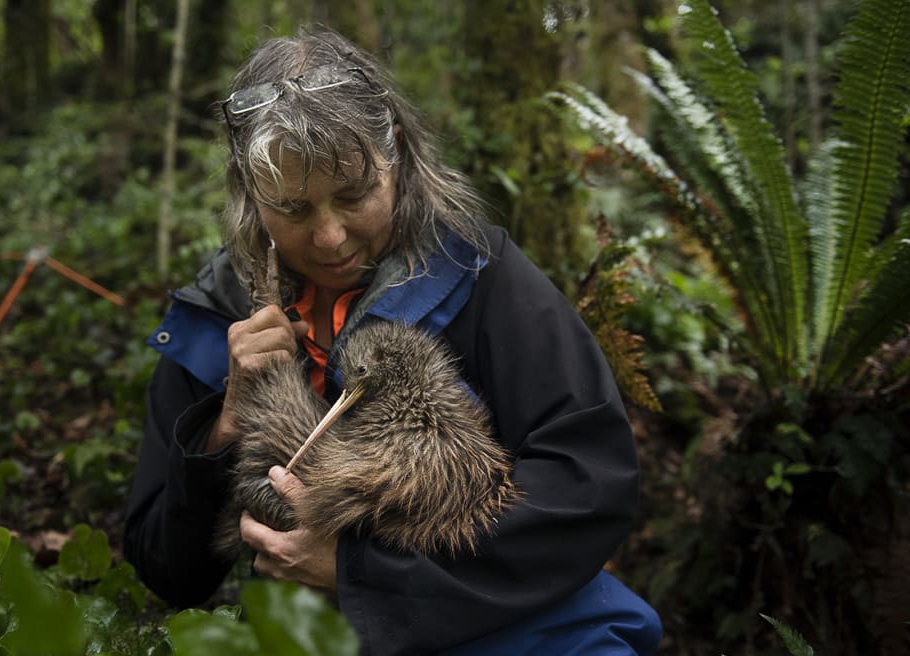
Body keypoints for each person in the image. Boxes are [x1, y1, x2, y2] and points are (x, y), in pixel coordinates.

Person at [124, 28, 662, 655]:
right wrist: (223, 425)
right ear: (251, 192)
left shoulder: (480, 276)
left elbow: (590, 488)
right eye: (294, 209)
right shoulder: (215, 318)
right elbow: (166, 571)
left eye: (353, 196)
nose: (329, 237)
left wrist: (361, 573)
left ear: (396, 156)